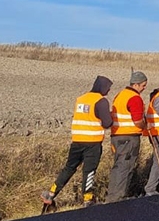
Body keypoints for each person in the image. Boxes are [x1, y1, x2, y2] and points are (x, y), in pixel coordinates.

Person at [41, 75, 113, 208]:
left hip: (77, 140)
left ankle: (51, 194)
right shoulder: (101, 101)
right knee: (89, 171)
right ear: (103, 87)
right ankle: (87, 200)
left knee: (69, 168)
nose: (108, 91)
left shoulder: (81, 99)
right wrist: (111, 115)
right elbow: (107, 123)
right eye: (108, 88)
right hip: (92, 142)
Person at [106, 71, 147, 202]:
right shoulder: (134, 98)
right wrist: (146, 126)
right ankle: (117, 197)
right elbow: (137, 121)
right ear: (135, 85)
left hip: (116, 136)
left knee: (118, 166)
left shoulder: (120, 95)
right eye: (143, 85)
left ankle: (113, 195)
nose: (144, 88)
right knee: (125, 166)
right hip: (129, 137)